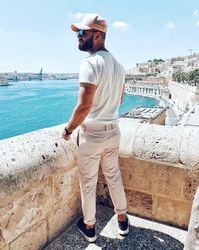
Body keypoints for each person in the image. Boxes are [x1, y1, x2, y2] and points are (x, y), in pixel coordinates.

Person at [62, 13, 129, 242]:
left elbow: (84, 106)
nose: (78, 38)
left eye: (82, 33)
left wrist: (69, 130)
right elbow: (119, 100)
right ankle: (122, 220)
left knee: (88, 183)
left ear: (98, 35)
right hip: (113, 131)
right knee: (114, 176)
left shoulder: (90, 63)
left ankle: (89, 226)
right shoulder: (119, 66)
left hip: (93, 134)